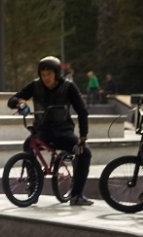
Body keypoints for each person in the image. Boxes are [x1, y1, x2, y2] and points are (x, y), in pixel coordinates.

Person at [7, 55, 92, 206]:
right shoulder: (35, 85)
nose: (46, 78)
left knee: (84, 153)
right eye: (43, 74)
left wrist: (83, 136)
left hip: (63, 132)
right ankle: (34, 186)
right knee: (28, 146)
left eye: (49, 74)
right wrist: (19, 102)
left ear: (57, 74)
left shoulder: (68, 86)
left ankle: (77, 194)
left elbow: (82, 111)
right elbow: (12, 100)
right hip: (42, 131)